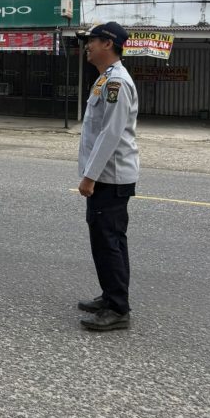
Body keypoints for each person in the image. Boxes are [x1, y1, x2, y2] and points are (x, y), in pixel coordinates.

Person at [75, 22, 139, 332]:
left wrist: (90, 176)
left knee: (108, 241)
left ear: (108, 44)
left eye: (92, 41)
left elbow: (110, 134)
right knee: (107, 240)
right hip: (107, 176)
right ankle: (112, 296)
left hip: (109, 178)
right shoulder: (105, 79)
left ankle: (117, 309)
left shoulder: (117, 83)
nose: (88, 46)